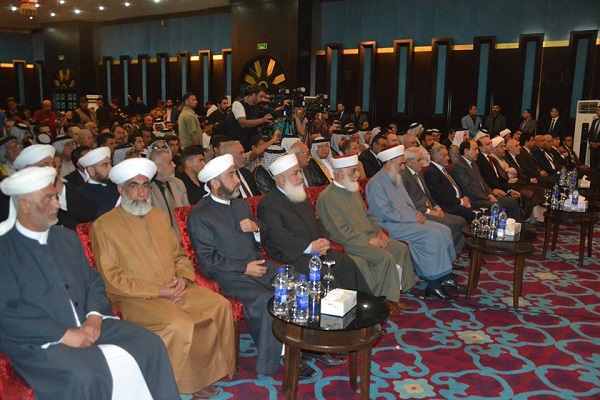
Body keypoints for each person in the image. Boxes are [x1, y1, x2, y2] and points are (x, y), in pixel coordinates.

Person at [0, 166, 180, 400]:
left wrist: (95, 317)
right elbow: (7, 314)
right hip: (39, 339)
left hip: (88, 322)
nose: (57, 204)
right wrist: (63, 333)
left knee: (150, 343)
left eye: (55, 197)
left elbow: (93, 281)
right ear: (24, 205)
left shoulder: (66, 238)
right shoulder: (5, 250)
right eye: (49, 199)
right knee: (86, 375)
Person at [91, 158, 234, 398]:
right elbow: (111, 277)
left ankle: (209, 372)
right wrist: (159, 291)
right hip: (137, 297)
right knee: (179, 324)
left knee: (219, 305)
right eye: (134, 185)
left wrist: (183, 280)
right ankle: (181, 383)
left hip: (175, 287)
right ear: (120, 188)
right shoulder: (104, 225)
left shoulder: (158, 216)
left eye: (145, 185)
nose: (141, 192)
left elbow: (179, 255)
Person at [187, 155, 306, 377]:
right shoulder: (200, 215)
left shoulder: (240, 204)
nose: (238, 180)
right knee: (264, 299)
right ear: (215, 183)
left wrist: (256, 228)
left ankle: (299, 341)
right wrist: (244, 268)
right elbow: (207, 260)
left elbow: (262, 231)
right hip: (230, 275)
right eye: (231, 176)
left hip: (258, 265)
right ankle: (282, 355)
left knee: (299, 280)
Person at [316, 154, 417, 314]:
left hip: (370, 236)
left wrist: (380, 233)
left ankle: (396, 293)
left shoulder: (352, 188)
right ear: (340, 172)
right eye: (353, 171)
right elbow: (339, 231)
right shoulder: (327, 197)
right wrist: (369, 240)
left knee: (400, 249)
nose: (358, 175)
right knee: (384, 257)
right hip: (350, 242)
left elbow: (369, 216)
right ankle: (383, 300)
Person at [258, 153, 371, 292]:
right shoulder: (268, 204)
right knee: (324, 273)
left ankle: (363, 302)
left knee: (346, 263)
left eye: (300, 172)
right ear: (281, 179)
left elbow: (316, 222)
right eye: (295, 173)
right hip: (293, 255)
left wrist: (324, 239)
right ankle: (338, 306)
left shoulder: (299, 194)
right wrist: (310, 247)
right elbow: (279, 237)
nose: (301, 177)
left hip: (315, 249)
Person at [366, 145, 461, 300]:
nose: (403, 167)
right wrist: (412, 217)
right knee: (432, 234)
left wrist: (416, 213)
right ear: (389, 163)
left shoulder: (395, 177)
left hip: (406, 220)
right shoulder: (375, 183)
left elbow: (408, 203)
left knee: (444, 230)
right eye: (400, 164)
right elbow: (384, 213)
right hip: (388, 225)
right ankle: (433, 283)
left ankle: (445, 275)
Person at [401, 147, 466, 256]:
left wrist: (436, 207)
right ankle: (446, 255)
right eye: (419, 160)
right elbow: (409, 201)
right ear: (409, 161)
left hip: (430, 208)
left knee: (461, 221)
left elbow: (427, 194)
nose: (422, 163)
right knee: (450, 224)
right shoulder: (404, 176)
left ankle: (453, 253)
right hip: (419, 212)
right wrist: (429, 211)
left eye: (422, 159)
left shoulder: (419, 173)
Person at [450, 140, 522, 221]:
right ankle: (497, 228)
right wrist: (487, 197)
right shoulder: (459, 166)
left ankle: (513, 227)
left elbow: (483, 183)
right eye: (475, 149)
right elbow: (468, 188)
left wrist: (491, 193)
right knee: (496, 206)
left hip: (484, 196)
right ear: (466, 151)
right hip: (474, 200)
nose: (478, 152)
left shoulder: (474, 164)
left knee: (512, 201)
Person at [149, 148, 189, 235]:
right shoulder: (147, 190)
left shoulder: (178, 183)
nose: (174, 165)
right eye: (170, 162)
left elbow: (186, 212)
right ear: (158, 168)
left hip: (182, 237)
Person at [223, 86, 273, 151]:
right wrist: (262, 120)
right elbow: (243, 123)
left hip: (252, 143)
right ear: (254, 95)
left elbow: (257, 126)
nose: (262, 99)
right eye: (261, 96)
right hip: (239, 143)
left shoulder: (259, 107)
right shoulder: (238, 104)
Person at [78, 147, 120, 219]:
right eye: (105, 165)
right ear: (91, 170)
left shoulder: (116, 185)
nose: (110, 168)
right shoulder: (82, 195)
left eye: (110, 164)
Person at [588, 106, 600, 171]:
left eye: (599, 110)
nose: (597, 112)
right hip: (593, 149)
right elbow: (590, 134)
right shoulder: (595, 121)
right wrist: (591, 142)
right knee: (593, 168)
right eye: (597, 110)